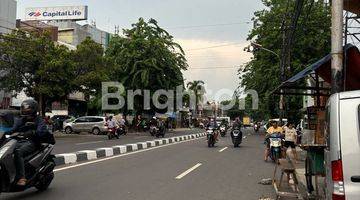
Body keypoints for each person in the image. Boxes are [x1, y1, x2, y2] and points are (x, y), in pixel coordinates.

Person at [7, 99, 55, 186]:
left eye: (27, 108)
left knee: (18, 152)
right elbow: (12, 129)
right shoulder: (21, 120)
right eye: (23, 108)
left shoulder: (39, 120)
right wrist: (5, 132)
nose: (25, 110)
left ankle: (22, 178)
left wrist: (33, 132)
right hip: (20, 141)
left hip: (33, 142)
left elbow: (41, 131)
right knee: (7, 152)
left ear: (33, 109)